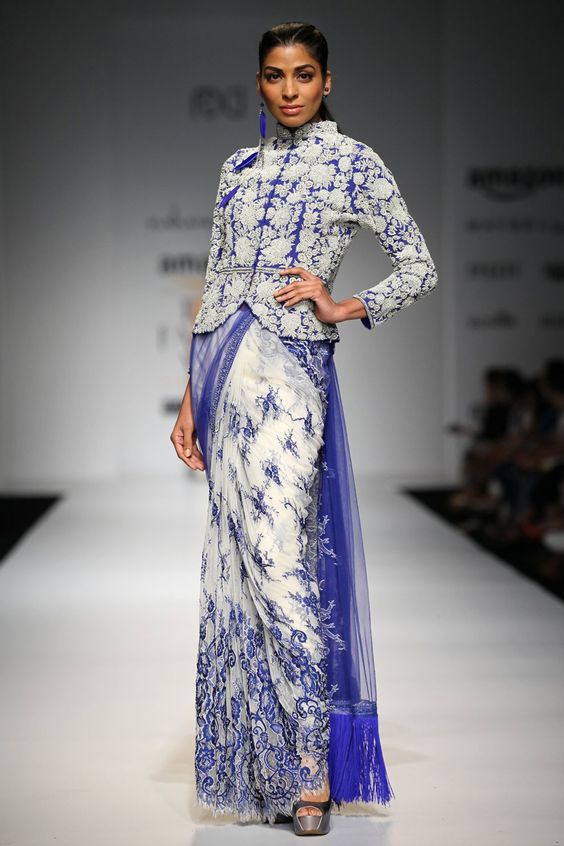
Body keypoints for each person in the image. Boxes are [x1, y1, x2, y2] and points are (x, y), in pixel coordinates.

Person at [170, 20, 438, 835]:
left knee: (280, 562)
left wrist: (344, 303)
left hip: (289, 378)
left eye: (304, 74)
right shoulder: (237, 168)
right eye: (275, 75)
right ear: (259, 82)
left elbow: (418, 265)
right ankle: (267, 770)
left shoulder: (354, 162)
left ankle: (313, 772)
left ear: (327, 82)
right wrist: (190, 396)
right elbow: (217, 281)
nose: (289, 89)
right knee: (244, 572)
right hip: (225, 376)